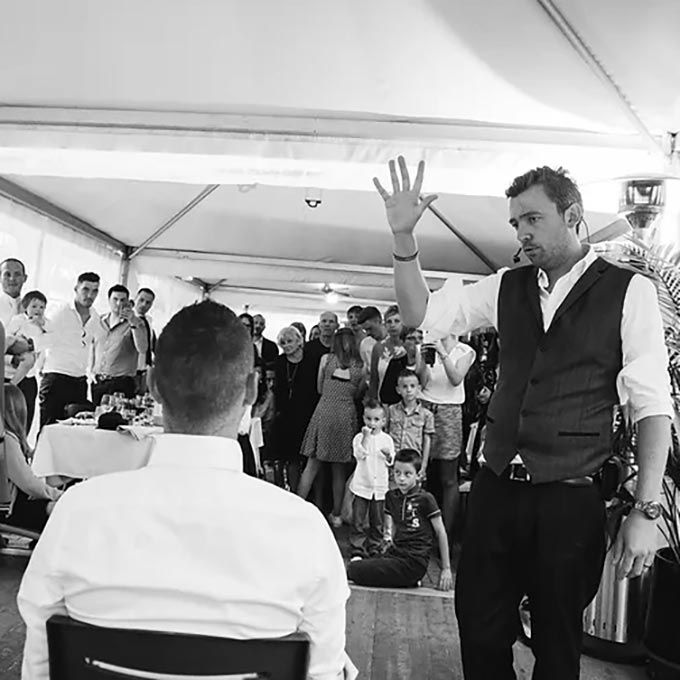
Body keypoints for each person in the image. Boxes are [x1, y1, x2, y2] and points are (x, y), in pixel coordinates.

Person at [375, 157, 673, 680]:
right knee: (478, 627)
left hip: (569, 497)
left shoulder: (630, 291)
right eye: (516, 222)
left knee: (557, 643)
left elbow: (651, 405)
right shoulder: (505, 286)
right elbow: (422, 314)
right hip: (496, 488)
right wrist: (404, 239)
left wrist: (646, 511)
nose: (522, 233)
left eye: (533, 219)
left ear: (573, 215)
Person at [18, 300, 355, 680]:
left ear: (153, 385)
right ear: (251, 389)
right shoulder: (305, 529)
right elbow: (322, 671)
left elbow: (39, 666)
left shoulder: (77, 513)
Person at [347, 449, 453, 591]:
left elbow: (440, 532)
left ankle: (409, 579)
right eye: (397, 473)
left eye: (407, 474)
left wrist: (446, 569)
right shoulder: (391, 497)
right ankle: (405, 580)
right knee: (365, 563)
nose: (401, 478)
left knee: (354, 570)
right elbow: (394, 526)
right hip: (395, 554)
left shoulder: (426, 499)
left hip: (414, 561)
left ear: (418, 475)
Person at [297, 328, 365, 526]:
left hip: (324, 410)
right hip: (345, 414)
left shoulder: (326, 359)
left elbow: (319, 388)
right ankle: (336, 516)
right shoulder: (360, 365)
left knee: (312, 465)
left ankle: (297, 505)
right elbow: (358, 393)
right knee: (339, 469)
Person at [419, 335, 476, 542]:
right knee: (420, 471)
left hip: (449, 410)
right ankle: (419, 533)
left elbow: (456, 379)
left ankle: (446, 537)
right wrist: (424, 359)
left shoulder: (465, 351)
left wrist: (443, 353)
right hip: (424, 406)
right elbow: (422, 381)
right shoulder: (425, 346)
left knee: (448, 476)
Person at [39, 272, 103, 428]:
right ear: (76, 289)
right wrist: (39, 368)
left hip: (79, 381)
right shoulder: (61, 312)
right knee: (48, 430)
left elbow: (99, 345)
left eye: (94, 291)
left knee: (74, 432)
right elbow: (42, 339)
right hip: (56, 378)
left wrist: (95, 370)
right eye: (85, 289)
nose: (90, 295)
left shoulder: (95, 317)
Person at [2, 384, 62, 532]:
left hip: (10, 503)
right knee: (62, 509)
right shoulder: (7, 441)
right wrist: (60, 495)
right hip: (8, 510)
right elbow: (29, 484)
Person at [271, 326, 319, 492]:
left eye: (290, 341)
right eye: (283, 342)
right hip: (285, 415)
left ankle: (310, 494)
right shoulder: (280, 362)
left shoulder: (312, 360)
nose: (286, 345)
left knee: (309, 458)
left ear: (299, 341)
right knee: (290, 458)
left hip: (308, 413)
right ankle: (293, 492)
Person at [349, 398, 395, 559]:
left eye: (376, 419)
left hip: (380, 487)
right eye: (368, 419)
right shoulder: (358, 438)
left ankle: (375, 546)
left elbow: (391, 461)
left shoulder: (387, 439)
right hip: (362, 485)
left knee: (377, 520)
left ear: (383, 421)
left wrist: (388, 455)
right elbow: (359, 454)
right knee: (358, 520)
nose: (372, 423)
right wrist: (366, 437)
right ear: (363, 418)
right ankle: (357, 548)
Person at [91, 285, 149, 406]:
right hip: (98, 382)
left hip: (121, 383)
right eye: (115, 299)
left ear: (128, 302)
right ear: (109, 300)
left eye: (122, 300)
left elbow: (142, 348)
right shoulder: (99, 321)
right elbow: (93, 348)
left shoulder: (137, 323)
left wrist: (133, 322)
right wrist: (91, 372)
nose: (119, 303)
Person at [6, 290, 48, 431]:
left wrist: (42, 325)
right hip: (15, 347)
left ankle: (12, 385)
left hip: (29, 367)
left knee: (25, 418)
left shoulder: (44, 323)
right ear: (25, 307)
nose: (38, 310)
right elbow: (10, 333)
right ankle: (10, 385)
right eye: (34, 306)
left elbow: (45, 344)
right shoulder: (19, 319)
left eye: (42, 307)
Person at [386, 370, 434, 481]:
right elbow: (386, 433)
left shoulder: (426, 415)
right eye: (404, 386)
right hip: (394, 461)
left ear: (419, 388)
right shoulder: (391, 410)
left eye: (412, 386)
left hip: (413, 462)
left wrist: (424, 465)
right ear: (398, 390)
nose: (409, 390)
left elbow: (427, 441)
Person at [0, 259, 34, 412]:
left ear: (25, 278)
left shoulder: (34, 306)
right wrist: (10, 359)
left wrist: (30, 345)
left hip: (26, 380)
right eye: (7, 274)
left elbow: (44, 339)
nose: (12, 278)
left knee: (23, 426)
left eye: (17, 274)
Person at [134, 287, 156, 394]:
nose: (144, 305)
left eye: (148, 302)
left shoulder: (149, 321)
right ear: (135, 298)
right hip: (130, 371)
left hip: (144, 371)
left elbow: (153, 344)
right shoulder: (127, 320)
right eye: (141, 300)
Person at [357, 306, 386, 375]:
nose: (368, 333)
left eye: (370, 328)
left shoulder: (395, 340)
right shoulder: (365, 344)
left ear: (379, 321)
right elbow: (366, 368)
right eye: (365, 330)